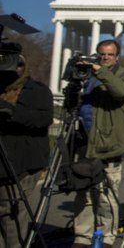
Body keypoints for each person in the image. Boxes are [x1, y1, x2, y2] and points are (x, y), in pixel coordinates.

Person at [72, 39, 124, 248]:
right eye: (101, 54)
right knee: (84, 193)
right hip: (87, 142)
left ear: (117, 57)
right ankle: (82, 235)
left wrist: (100, 72)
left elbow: (119, 92)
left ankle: (106, 236)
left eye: (109, 54)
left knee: (106, 195)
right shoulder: (91, 76)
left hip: (109, 144)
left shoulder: (123, 75)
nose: (105, 58)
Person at [0, 54, 54, 248]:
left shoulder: (37, 91)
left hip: (21, 166)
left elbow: (44, 119)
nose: (14, 68)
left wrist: (12, 112)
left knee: (13, 224)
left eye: (19, 64)